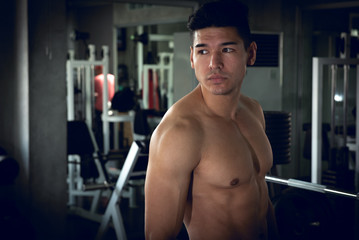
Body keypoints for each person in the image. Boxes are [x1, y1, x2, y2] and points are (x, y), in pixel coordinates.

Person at [145, 0, 278, 239]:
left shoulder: (253, 111)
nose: (214, 64)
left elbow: (262, 197)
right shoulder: (181, 131)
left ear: (251, 54)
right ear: (193, 58)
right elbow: (158, 235)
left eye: (227, 50)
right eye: (203, 51)